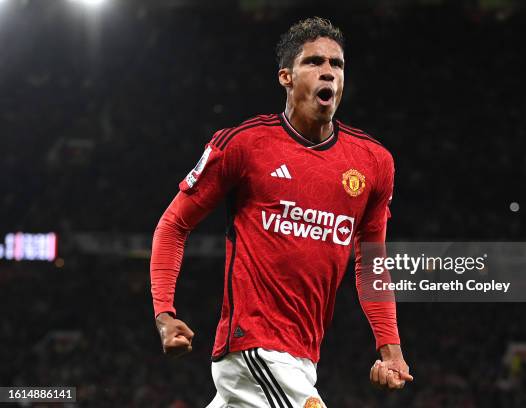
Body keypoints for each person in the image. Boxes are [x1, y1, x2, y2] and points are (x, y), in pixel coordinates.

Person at [150, 17, 413, 408]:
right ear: (286, 77)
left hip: (304, 356)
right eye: (314, 62)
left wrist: (390, 348)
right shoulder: (243, 146)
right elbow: (174, 224)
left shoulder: (373, 163)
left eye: (336, 64)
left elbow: (372, 263)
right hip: (253, 348)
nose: (328, 72)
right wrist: (164, 314)